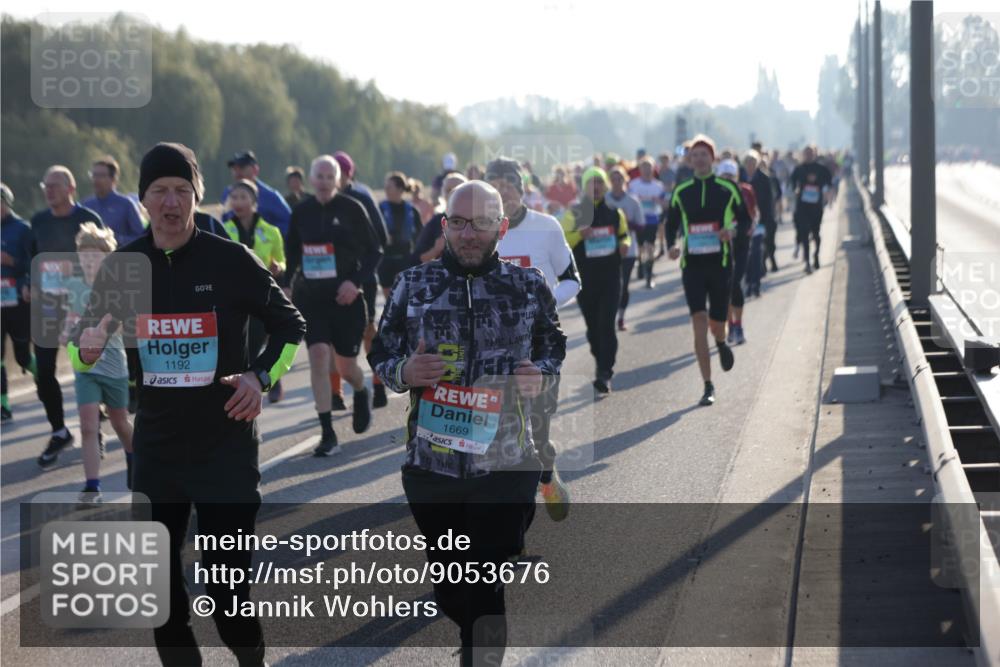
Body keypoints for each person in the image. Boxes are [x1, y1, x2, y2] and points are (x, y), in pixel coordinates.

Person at [69, 142, 305, 667]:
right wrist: (85, 347)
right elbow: (81, 344)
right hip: (157, 447)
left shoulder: (231, 260)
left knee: (226, 595)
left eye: (182, 190)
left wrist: (260, 376)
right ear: (143, 199)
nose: (171, 202)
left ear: (197, 196)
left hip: (225, 445)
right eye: (160, 191)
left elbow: (291, 327)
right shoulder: (123, 267)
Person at [368, 180, 566, 666]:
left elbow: (552, 343)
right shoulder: (414, 285)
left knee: (485, 585)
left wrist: (540, 373)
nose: (468, 233)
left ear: (502, 227)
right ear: (444, 226)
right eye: (458, 222)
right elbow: (382, 350)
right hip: (432, 467)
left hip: (506, 465)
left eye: (480, 223)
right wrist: (403, 372)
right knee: (452, 589)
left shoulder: (527, 285)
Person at [487, 157, 579, 520]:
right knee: (499, 436)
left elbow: (572, 280)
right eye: (495, 187)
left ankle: (547, 473)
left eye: (509, 186)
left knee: (537, 433)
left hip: (538, 347)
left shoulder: (547, 227)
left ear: (521, 190)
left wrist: (541, 302)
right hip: (491, 349)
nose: (503, 193)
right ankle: (514, 528)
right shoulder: (479, 231)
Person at [285, 156, 382, 455]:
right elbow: (292, 253)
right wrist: (287, 284)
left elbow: (375, 251)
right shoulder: (301, 212)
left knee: (347, 367)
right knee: (317, 355)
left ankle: (361, 390)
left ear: (338, 180)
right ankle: (327, 432)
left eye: (330, 176)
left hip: (346, 299)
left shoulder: (352, 208)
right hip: (312, 298)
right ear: (312, 179)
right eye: (320, 176)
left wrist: (354, 282)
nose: (325, 182)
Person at [31, 165, 104, 468]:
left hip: (81, 303)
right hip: (48, 306)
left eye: (55, 185)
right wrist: (29, 284)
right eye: (45, 186)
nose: (49, 191)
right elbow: (32, 259)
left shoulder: (87, 219)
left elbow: (105, 260)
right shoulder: (38, 221)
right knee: (44, 370)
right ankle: (59, 431)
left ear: (71, 188)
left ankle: (94, 428)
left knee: (85, 368)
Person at [665, 135, 741, 406]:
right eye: (695, 155)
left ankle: (720, 341)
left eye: (704, 154)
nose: (699, 159)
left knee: (717, 324)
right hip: (693, 266)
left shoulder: (727, 188)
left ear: (713, 158)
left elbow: (745, 220)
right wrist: (672, 245)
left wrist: (731, 231)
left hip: (720, 264)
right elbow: (671, 224)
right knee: (698, 320)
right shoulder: (681, 191)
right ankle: (708, 385)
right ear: (689, 160)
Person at [61, 223, 134, 503]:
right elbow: (71, 318)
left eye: (95, 255)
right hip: (86, 368)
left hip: (114, 364)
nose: (89, 260)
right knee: (88, 426)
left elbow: (125, 324)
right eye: (84, 255)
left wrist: (103, 330)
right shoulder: (74, 286)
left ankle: (134, 458)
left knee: (119, 422)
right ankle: (92, 486)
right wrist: (68, 331)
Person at [561, 167, 630, 394]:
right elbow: (563, 242)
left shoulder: (614, 211)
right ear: (585, 187)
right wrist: (578, 235)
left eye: (600, 182)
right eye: (592, 183)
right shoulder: (574, 213)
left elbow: (624, 235)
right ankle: (601, 361)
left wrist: (625, 245)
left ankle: (604, 372)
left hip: (611, 277)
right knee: (593, 329)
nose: (596, 187)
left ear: (605, 185)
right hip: (586, 278)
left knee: (606, 325)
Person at [332, 150, 389, 411]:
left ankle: (378, 384)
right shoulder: (320, 204)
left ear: (348, 174)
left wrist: (357, 259)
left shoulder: (361, 199)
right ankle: (335, 394)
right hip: (329, 281)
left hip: (362, 277)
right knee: (331, 336)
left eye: (338, 172)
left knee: (368, 330)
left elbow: (381, 239)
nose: (333, 178)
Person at [223, 179, 287, 402]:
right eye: (234, 198)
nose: (238, 202)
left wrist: (279, 267)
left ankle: (269, 377)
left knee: (257, 345)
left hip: (262, 298)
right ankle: (245, 393)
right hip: (233, 299)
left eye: (243, 197)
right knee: (240, 350)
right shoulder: (223, 230)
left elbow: (281, 259)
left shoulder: (271, 231)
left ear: (254, 201)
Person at [1, 183, 35, 423]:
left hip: (18, 301)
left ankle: (45, 379)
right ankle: (3, 405)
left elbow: (34, 263)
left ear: (5, 202)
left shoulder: (23, 228)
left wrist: (11, 261)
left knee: (22, 356)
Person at [715, 159, 755, 345]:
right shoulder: (715, 194)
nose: (728, 180)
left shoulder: (744, 192)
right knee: (725, 287)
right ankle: (730, 324)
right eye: (724, 176)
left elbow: (750, 215)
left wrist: (739, 230)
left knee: (735, 283)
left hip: (740, 245)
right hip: (720, 247)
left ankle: (738, 324)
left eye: (731, 176)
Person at [220, 150, 292, 238]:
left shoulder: (271, 196)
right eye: (234, 168)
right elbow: (224, 220)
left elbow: (290, 224)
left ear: (255, 170)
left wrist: (265, 235)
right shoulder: (227, 193)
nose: (237, 172)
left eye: (242, 167)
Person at [605, 166, 644, 331]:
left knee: (624, 284)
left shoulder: (633, 201)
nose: (616, 182)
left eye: (619, 179)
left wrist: (627, 223)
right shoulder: (604, 200)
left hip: (628, 248)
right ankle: (609, 316)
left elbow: (641, 225)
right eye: (613, 179)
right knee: (610, 285)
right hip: (606, 249)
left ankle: (620, 317)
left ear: (625, 180)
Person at [81, 155, 146, 246]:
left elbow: (141, 238)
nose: (96, 179)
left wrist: (115, 239)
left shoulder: (126, 205)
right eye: (94, 175)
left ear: (114, 179)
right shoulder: (86, 205)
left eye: (101, 175)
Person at [789, 145, 833, 273]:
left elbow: (829, 183)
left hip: (816, 207)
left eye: (811, 153)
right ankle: (807, 262)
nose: (808, 155)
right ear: (803, 155)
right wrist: (796, 190)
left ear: (815, 154)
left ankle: (816, 255)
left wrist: (827, 195)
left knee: (816, 233)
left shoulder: (821, 169)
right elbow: (792, 183)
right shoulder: (799, 169)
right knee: (804, 233)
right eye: (806, 153)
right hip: (802, 207)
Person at [628, 157, 667, 288]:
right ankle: (640, 264)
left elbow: (665, 204)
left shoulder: (658, 186)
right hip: (638, 220)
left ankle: (649, 276)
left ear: (653, 169)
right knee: (640, 246)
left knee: (650, 246)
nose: (647, 170)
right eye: (644, 167)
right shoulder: (633, 185)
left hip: (652, 219)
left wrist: (658, 201)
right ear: (640, 169)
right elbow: (629, 201)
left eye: (649, 167)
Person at [412, 173, 467, 264]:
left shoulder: (479, 220)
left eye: (457, 190)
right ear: (442, 194)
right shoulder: (436, 222)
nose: (452, 194)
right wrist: (435, 250)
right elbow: (417, 259)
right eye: (448, 190)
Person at [744, 149, 780, 277]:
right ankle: (760, 265)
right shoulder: (742, 178)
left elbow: (770, 198)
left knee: (769, 241)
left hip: (765, 215)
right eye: (748, 163)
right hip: (749, 216)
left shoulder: (765, 178)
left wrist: (766, 217)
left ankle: (771, 259)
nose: (750, 165)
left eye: (752, 162)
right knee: (755, 243)